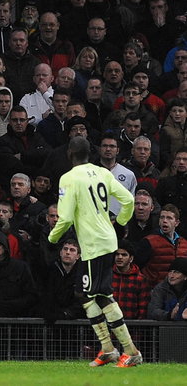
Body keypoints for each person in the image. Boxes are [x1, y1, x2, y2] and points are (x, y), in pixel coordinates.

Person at [48, 136, 142, 367]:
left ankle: (130, 351)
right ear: (91, 153)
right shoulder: (102, 173)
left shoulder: (69, 178)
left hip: (93, 244)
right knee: (84, 293)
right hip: (104, 239)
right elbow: (128, 199)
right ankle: (108, 348)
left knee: (100, 295)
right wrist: (119, 223)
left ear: (70, 153)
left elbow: (66, 217)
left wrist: (52, 238)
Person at [134, 204, 187, 289]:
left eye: (169, 218)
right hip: (153, 290)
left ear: (176, 223)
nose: (164, 221)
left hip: (179, 293)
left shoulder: (184, 243)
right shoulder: (148, 241)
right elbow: (136, 267)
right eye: (162, 217)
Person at [112, 239, 150, 319]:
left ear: (131, 258)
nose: (119, 257)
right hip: (109, 324)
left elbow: (143, 307)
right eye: (117, 254)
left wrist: (139, 327)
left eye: (124, 255)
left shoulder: (140, 279)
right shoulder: (108, 276)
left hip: (131, 325)